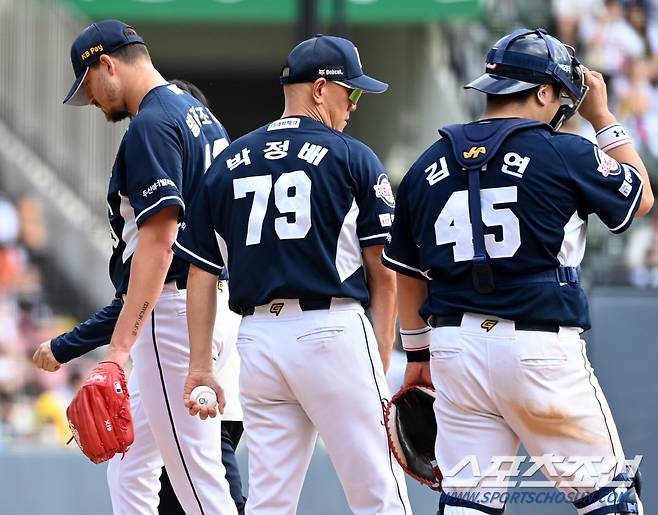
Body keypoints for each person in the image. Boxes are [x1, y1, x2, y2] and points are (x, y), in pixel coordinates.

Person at [383, 28, 653, 515]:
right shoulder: (566, 150)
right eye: (560, 97)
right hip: (537, 348)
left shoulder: (426, 166)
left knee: (468, 504)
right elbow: (641, 197)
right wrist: (603, 118)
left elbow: (406, 271)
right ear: (543, 92)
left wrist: (418, 355)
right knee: (610, 499)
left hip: (455, 350)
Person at [174, 34, 412, 515]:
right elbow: (383, 272)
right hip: (331, 331)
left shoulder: (228, 163)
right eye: (353, 92)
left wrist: (200, 364)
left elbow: (200, 271)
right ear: (320, 89)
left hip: (258, 340)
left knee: (269, 502)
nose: (354, 106)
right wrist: (381, 358)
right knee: (379, 492)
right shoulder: (352, 157)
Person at [35, 20, 239, 515]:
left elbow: (159, 240)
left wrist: (116, 353)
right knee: (130, 469)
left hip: (173, 311)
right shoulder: (201, 117)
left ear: (108, 64)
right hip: (207, 300)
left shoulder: (151, 122)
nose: (96, 104)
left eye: (91, 89)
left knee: (197, 481)